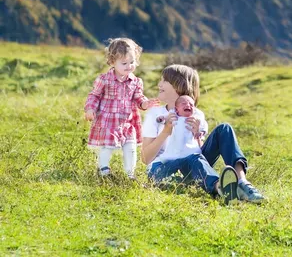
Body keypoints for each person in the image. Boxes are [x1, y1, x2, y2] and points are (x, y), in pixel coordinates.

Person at [141, 64, 264, 203]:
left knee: (225, 129)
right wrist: (165, 131)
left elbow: (198, 149)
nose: (159, 84)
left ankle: (243, 183)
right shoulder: (155, 114)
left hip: (194, 163)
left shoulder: (197, 114)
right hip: (163, 169)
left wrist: (197, 135)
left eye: (164, 80)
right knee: (194, 158)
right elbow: (145, 158)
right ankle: (221, 188)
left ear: (179, 85)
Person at [84, 37, 159, 179]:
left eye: (132, 62)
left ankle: (130, 173)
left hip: (127, 121)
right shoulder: (104, 79)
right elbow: (94, 95)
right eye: (124, 63)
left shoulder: (136, 81)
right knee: (108, 146)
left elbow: (138, 97)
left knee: (130, 147)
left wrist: (145, 103)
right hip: (108, 120)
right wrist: (90, 109)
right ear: (112, 62)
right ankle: (103, 170)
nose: (129, 66)